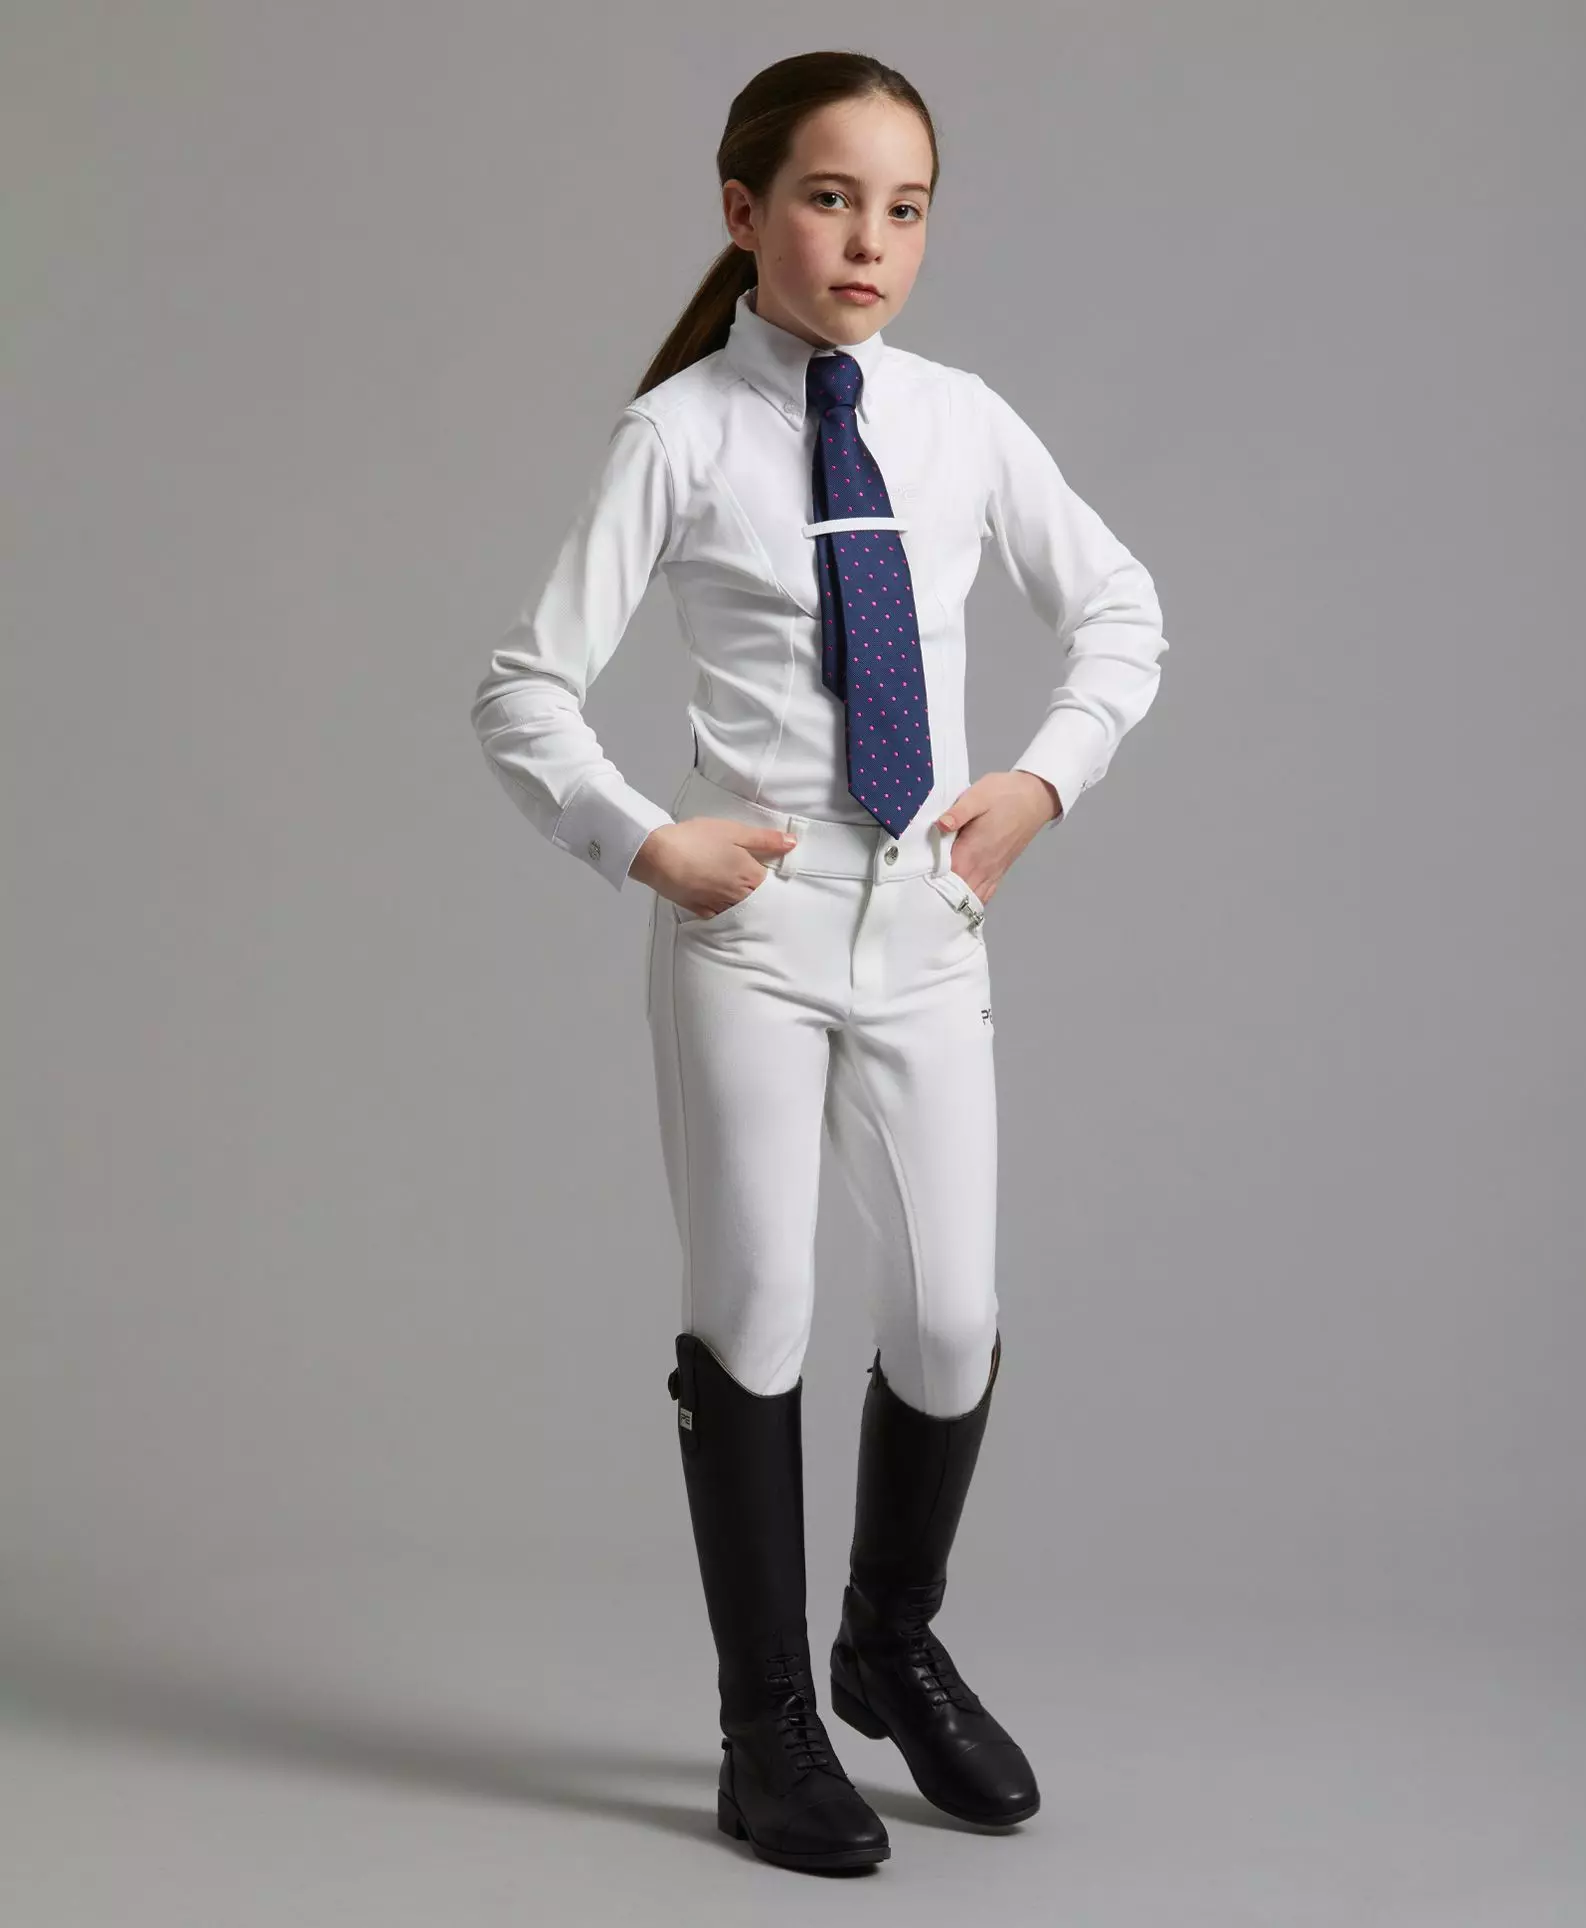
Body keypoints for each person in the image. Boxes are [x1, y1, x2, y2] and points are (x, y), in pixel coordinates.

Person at [470, 50, 1169, 1875]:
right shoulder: (680, 435)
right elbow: (524, 688)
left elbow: (1119, 610)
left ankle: (887, 1642)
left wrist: (1041, 779)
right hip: (754, 930)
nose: (870, 240)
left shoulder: (961, 422)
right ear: (745, 211)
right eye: (831, 198)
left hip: (927, 921)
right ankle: (764, 1721)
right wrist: (651, 840)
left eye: (905, 208)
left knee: (947, 1319)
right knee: (757, 1305)